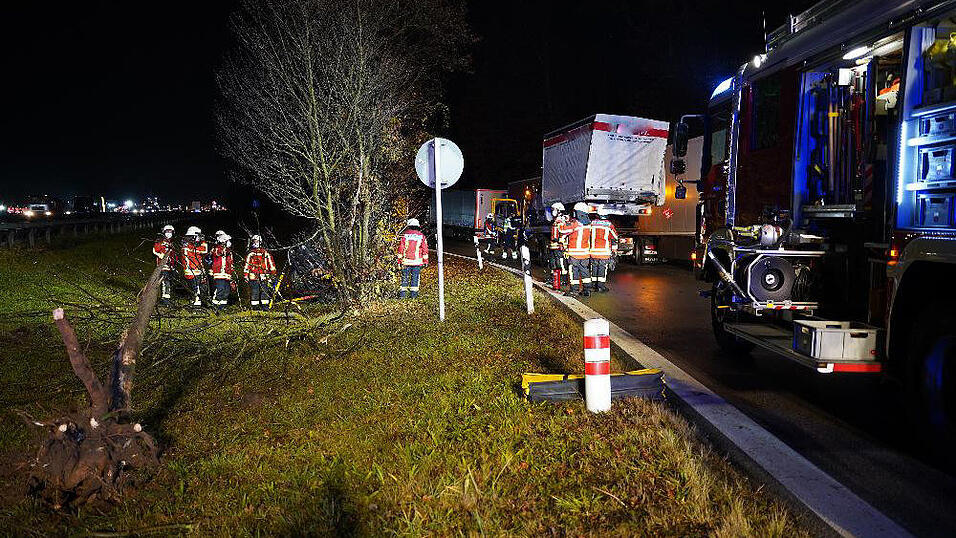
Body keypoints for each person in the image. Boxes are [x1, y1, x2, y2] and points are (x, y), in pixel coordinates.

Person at [558, 202, 592, 297]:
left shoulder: (576, 224)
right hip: (585, 254)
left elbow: (562, 230)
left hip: (574, 254)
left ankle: (574, 290)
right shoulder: (588, 224)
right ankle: (587, 290)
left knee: (574, 272)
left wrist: (561, 221)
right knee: (585, 272)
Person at [397, 218, 429, 299]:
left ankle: (403, 295)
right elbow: (425, 250)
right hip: (417, 262)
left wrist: (399, 260)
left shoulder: (404, 236)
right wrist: (425, 261)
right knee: (415, 278)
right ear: (418, 226)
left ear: (408, 226)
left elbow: (401, 249)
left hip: (405, 262)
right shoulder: (421, 236)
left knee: (405, 278)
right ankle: (413, 295)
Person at [589, 206, 619, 292]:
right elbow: (615, 237)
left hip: (593, 251)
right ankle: (600, 286)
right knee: (602, 268)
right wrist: (614, 250)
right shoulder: (609, 225)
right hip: (604, 252)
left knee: (594, 268)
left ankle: (594, 285)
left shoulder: (592, 223)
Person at [244, 235, 277, 310]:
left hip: (264, 276)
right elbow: (247, 265)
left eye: (257, 241)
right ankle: (255, 307)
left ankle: (265, 307)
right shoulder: (251, 254)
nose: (256, 242)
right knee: (255, 292)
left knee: (265, 291)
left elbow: (271, 264)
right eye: (254, 241)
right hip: (253, 277)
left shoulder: (266, 253)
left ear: (260, 242)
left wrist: (273, 274)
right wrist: (245, 275)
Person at [181, 226, 209, 307]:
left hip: (192, 271)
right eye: (198, 236)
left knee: (194, 289)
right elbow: (204, 250)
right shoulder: (190, 247)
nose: (198, 239)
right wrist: (203, 241)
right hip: (193, 272)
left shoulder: (187, 246)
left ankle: (194, 301)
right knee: (197, 289)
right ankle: (196, 305)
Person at [152, 225, 177, 305]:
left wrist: (174, 264)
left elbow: (174, 255)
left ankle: (166, 297)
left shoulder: (171, 242)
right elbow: (155, 250)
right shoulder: (160, 241)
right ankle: (165, 300)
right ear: (164, 232)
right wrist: (161, 255)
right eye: (167, 231)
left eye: (170, 232)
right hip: (163, 265)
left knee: (169, 281)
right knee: (165, 281)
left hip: (170, 266)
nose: (169, 233)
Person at [209, 233, 234, 310]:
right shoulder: (216, 248)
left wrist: (231, 272)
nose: (229, 242)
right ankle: (215, 305)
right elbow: (219, 253)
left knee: (226, 291)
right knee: (220, 289)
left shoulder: (229, 251)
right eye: (227, 241)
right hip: (219, 273)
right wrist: (225, 248)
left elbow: (231, 262)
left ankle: (222, 306)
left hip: (227, 274)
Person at [548, 202, 570, 290]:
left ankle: (563, 279)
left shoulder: (563, 221)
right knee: (553, 263)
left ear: (559, 211)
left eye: (554, 210)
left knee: (561, 263)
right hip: (554, 246)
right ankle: (554, 278)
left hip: (559, 246)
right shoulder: (556, 220)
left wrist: (561, 243)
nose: (552, 212)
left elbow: (563, 234)